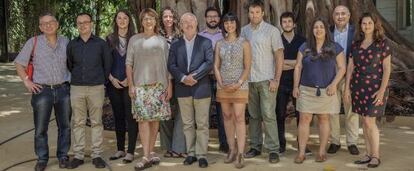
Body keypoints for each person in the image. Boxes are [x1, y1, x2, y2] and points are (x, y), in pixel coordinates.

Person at [14, 12, 71, 171]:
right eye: (44, 23)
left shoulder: (66, 41)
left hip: (63, 90)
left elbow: (74, 64)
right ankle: (42, 158)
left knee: (65, 126)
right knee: (40, 128)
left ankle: (63, 156)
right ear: (40, 27)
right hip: (42, 91)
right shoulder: (33, 42)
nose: (48, 25)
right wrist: (27, 81)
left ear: (57, 24)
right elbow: (19, 64)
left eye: (51, 22)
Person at [292, 17, 346, 164]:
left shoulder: (335, 47)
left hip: (326, 90)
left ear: (326, 30)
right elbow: (298, 67)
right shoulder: (305, 47)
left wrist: (334, 84)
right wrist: (296, 87)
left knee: (323, 119)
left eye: (321, 27)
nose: (318, 30)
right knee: (304, 119)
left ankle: (322, 152)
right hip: (306, 90)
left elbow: (342, 68)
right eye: (316, 27)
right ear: (312, 30)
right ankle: (301, 152)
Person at [125, 8, 172, 171]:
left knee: (154, 121)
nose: (148, 21)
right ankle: (145, 156)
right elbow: (128, 64)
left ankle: (151, 152)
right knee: (143, 121)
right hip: (140, 87)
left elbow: (167, 66)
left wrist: (169, 85)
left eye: (151, 18)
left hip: (159, 86)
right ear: (141, 21)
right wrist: (130, 85)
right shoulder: (134, 40)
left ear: (155, 21)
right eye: (145, 18)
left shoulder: (162, 41)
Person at [344, 12, 392, 168]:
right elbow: (350, 68)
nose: (367, 26)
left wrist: (381, 90)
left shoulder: (383, 44)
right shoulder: (356, 45)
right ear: (361, 26)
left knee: (370, 121)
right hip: (358, 87)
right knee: (364, 122)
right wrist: (347, 89)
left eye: (369, 23)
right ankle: (368, 153)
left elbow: (387, 69)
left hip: (376, 87)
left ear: (375, 24)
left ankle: (376, 156)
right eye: (364, 24)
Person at [167, 12, 213, 168]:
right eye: (184, 21)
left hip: (201, 88)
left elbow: (209, 62)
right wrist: (183, 78)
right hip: (182, 88)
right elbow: (171, 65)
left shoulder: (205, 42)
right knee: (187, 124)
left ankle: (201, 155)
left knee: (202, 123)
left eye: (191, 20)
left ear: (196, 23)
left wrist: (194, 76)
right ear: (181, 25)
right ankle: (191, 153)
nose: (188, 24)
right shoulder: (175, 45)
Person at [67, 13, 112, 169]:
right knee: (78, 122)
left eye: (85, 22)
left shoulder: (101, 44)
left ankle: (97, 155)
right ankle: (78, 155)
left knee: (96, 122)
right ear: (77, 25)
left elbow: (107, 65)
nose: (82, 25)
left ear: (91, 24)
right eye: (79, 23)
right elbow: (70, 65)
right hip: (77, 88)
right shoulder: (72, 44)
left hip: (96, 88)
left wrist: (101, 81)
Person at [241, 0, 284, 163]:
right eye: (251, 12)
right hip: (249, 80)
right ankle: (255, 146)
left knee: (268, 115)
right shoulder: (244, 31)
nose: (254, 15)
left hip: (267, 79)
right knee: (253, 115)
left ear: (263, 13)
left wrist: (276, 79)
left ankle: (273, 149)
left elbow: (279, 56)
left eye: (257, 12)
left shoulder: (272, 31)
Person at [214, 12, 251, 169]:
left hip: (239, 86)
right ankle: (231, 149)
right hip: (223, 85)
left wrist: (239, 83)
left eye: (232, 22)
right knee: (227, 117)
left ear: (237, 24)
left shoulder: (244, 43)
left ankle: (241, 153)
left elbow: (248, 66)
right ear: (223, 25)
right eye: (226, 23)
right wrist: (220, 82)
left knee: (239, 117)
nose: (229, 25)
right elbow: (216, 65)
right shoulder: (219, 44)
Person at [106, 9, 138, 163]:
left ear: (129, 21)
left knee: (131, 117)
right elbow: (105, 63)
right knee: (118, 116)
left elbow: (139, 62)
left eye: (125, 18)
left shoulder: (135, 39)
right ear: (115, 20)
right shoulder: (109, 39)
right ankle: (120, 149)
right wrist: (112, 79)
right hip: (114, 84)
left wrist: (130, 79)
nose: (122, 20)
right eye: (119, 18)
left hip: (130, 84)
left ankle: (131, 151)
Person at [328, 5, 360, 155]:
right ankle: (335, 141)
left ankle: (352, 142)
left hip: (351, 77)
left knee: (351, 111)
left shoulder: (357, 32)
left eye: (343, 13)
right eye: (337, 14)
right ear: (333, 16)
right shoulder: (327, 32)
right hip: (331, 77)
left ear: (348, 15)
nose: (340, 16)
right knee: (332, 111)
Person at [276, 11, 308, 154]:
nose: (287, 24)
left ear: (294, 24)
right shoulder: (276, 39)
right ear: (281, 24)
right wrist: (295, 63)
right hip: (281, 82)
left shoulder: (302, 40)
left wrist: (288, 63)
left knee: (301, 114)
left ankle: (302, 143)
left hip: (299, 82)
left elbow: (305, 62)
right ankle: (281, 143)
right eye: (284, 22)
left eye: (289, 21)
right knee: (280, 114)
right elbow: (276, 63)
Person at [198, 6, 228, 153]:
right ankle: (203, 145)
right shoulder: (199, 36)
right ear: (205, 18)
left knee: (223, 112)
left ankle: (225, 143)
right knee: (204, 112)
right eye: (209, 16)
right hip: (203, 78)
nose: (212, 19)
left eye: (215, 16)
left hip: (221, 78)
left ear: (219, 19)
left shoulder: (225, 35)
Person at [159, 6, 187, 158]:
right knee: (165, 114)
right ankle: (168, 147)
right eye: (165, 16)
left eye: (171, 16)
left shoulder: (181, 36)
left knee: (182, 113)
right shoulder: (157, 36)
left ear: (174, 19)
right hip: (162, 79)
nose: (168, 19)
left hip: (180, 78)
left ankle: (179, 147)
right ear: (161, 19)